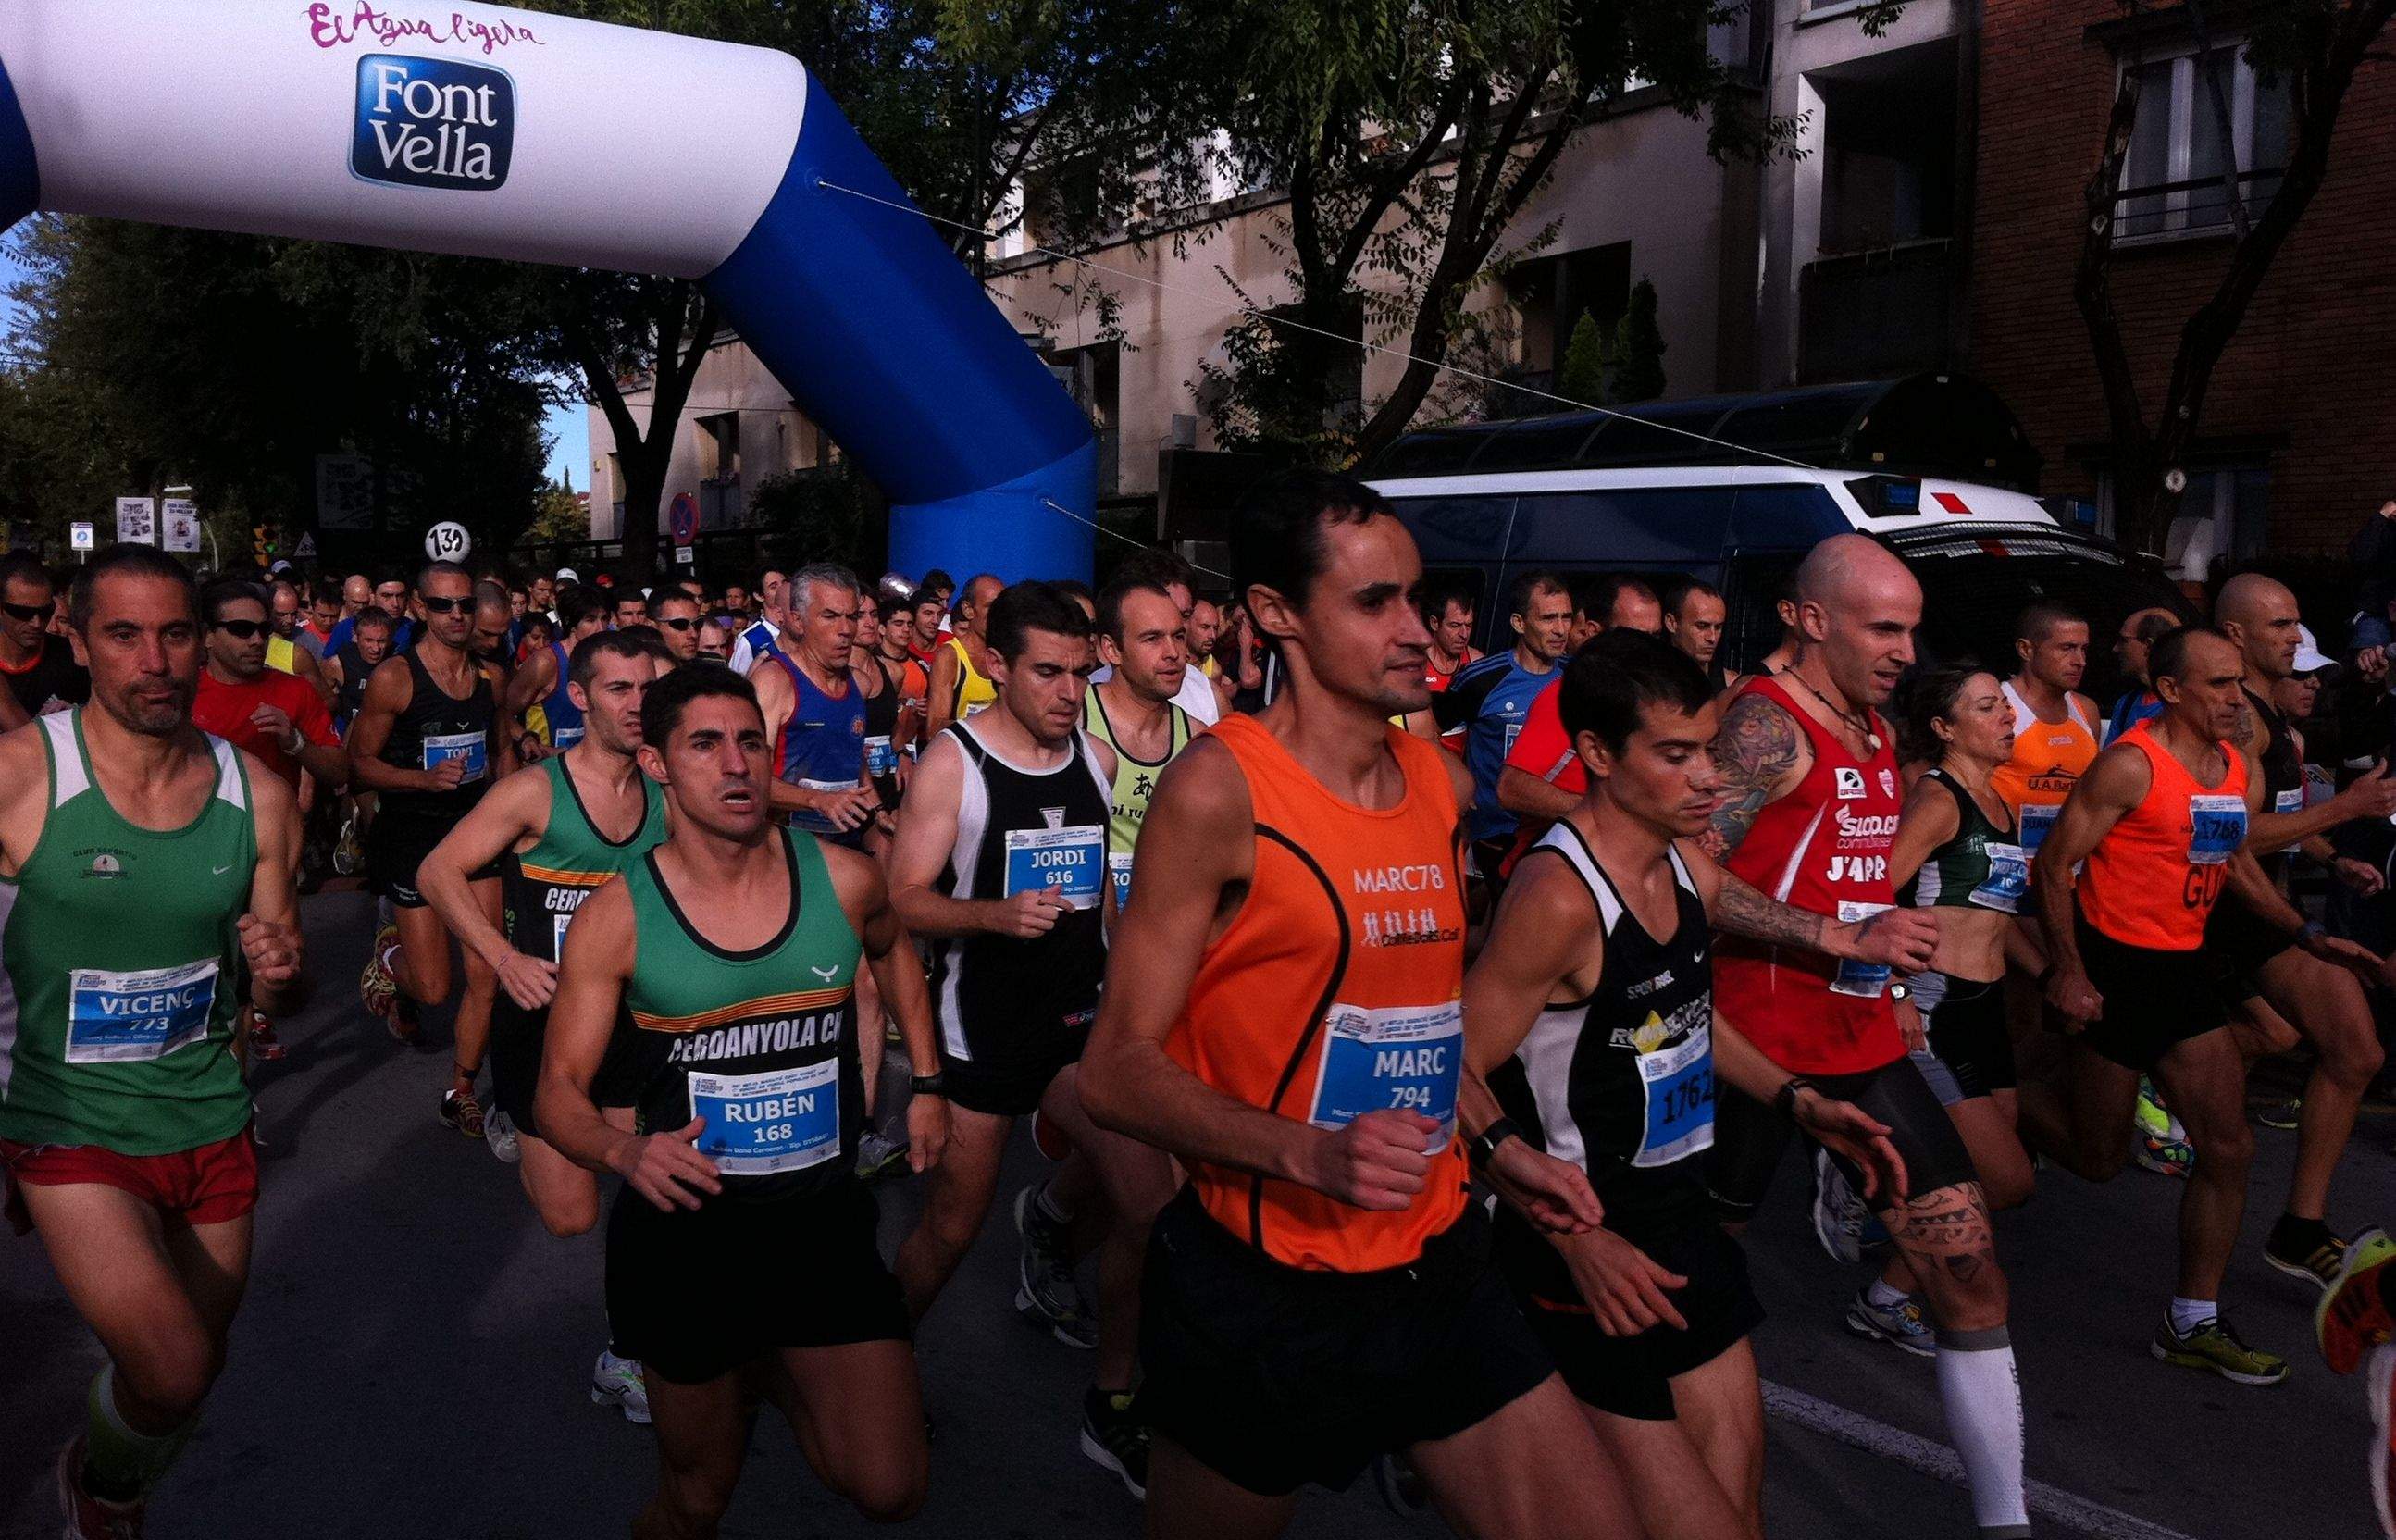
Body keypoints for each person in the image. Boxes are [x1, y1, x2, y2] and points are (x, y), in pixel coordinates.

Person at [1078, 471, 1645, 1539]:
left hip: (1434, 1260)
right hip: (1266, 1288)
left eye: (1419, 597)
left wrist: (1499, 1145)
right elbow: (1116, 1069)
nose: (1417, 631)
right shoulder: (1219, 791)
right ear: (1275, 614)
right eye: (1373, 600)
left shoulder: (1435, 780)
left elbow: (1419, 1026)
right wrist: (1308, 1154)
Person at [1463, 629, 1918, 1540]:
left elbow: (1692, 1008)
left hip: (1681, 1225)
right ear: (1596, 753)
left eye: (1709, 747)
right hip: (1585, 1253)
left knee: (1739, 1509)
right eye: (1675, 754)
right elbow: (1455, 1069)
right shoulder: (1558, 897)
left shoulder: (1676, 857)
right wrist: (1573, 1234)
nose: (1707, 775)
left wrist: (1799, 1098)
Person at [535, 664, 950, 1535]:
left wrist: (931, 1083)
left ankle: (767, 1366)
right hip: (688, 1245)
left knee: (890, 1485)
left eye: (751, 741)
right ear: (657, 764)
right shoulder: (619, 917)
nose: (736, 764)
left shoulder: (842, 881)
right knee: (697, 1498)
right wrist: (623, 1151)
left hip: (819, 1229)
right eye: (706, 744)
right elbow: (557, 1096)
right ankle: (754, 1366)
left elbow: (892, 952)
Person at [1699, 535, 2029, 1535]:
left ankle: (2005, 1522)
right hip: (1744, 1048)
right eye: (1882, 625)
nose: (1903, 646)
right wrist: (1836, 930)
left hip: (1860, 1034)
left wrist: (1886, 960)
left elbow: (1851, 874)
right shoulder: (1762, 726)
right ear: (1810, 618)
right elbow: (1676, 875)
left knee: (1968, 1265)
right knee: (1689, 1287)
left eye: (1911, 626)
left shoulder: (1876, 726)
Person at [0, 544, 304, 1539]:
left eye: (175, 632)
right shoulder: (17, 775)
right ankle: (100, 1492)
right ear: (77, 642)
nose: (155, 659)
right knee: (171, 1361)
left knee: (185, 1374)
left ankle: (104, 1473)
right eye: (124, 634)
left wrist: (275, 962)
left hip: (210, 1114)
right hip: (67, 1120)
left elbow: (269, 981)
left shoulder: (255, 792)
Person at [2021, 625, 2381, 1383]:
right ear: (2171, 692)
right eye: (2217, 685)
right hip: (2115, 975)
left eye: (2236, 684)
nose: (2234, 698)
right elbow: (2054, 867)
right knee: (2095, 1158)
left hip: (2181, 974)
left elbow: (2235, 863)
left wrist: (2308, 934)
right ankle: (1986, 1105)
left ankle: (2192, 1321)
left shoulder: (2227, 769)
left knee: (2229, 1147)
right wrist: (2068, 971)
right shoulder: (2129, 766)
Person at [889, 581, 1174, 1497]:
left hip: (1080, 1031)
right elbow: (903, 899)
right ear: (999, 666)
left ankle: (1113, 1397)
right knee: (949, 1230)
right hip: (984, 1036)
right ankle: (878, 1364)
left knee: (1147, 1195)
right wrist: (990, 913)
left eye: (1078, 669)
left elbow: (1111, 895)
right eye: (1047, 671)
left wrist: (1133, 995)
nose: (1067, 688)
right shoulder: (954, 762)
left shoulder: (1093, 757)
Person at [418, 630, 665, 1417]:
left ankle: (628, 1352)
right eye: (619, 689)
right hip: (544, 1027)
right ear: (581, 697)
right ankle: (508, 1107)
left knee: (643, 1190)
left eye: (648, 689)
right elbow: (438, 871)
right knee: (570, 1216)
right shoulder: (535, 792)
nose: (636, 705)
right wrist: (502, 955)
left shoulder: (666, 790)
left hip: (635, 1024)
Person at [2206, 573, 2396, 1285]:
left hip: (2257, 910)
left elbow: (2277, 817)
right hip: (2212, 917)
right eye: (2280, 625)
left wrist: (2328, 856)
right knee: (2092, 1138)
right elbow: (2233, 836)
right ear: (2234, 636)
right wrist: (2345, 810)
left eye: (2295, 624)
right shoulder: (2237, 720)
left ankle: (2299, 1226)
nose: (2294, 637)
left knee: (2354, 1050)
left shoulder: (2271, 718)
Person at [351, 562, 515, 1136]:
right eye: (443, 605)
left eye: (465, 605)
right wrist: (424, 780)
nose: (456, 616)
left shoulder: (492, 678)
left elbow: (499, 754)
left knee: (488, 969)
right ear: (419, 607)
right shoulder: (396, 678)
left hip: (475, 833)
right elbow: (358, 764)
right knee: (435, 987)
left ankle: (462, 1087)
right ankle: (387, 963)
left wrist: (516, 805)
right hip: (414, 837)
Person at [1890, 666, 2037, 1211]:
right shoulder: (1938, 801)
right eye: (1985, 707)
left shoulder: (1998, 801)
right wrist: (1897, 993)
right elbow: (1877, 899)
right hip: (1938, 1003)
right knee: (2008, 1179)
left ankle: (1894, 1231)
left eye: (2003, 703)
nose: (2006, 715)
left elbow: (1997, 916)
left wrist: (2049, 972)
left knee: (1982, 1173)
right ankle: (1871, 1194)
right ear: (1943, 728)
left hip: (1987, 1006)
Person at [1433, 571, 1572, 882]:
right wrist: (1457, 796)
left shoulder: (1579, 680)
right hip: (1494, 838)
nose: (1561, 629)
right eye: (1549, 618)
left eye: (1567, 617)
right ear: (1519, 623)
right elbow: (1434, 739)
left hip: (1556, 834)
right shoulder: (1480, 680)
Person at [751, 565, 879, 845]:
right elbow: (751, 777)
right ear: (797, 621)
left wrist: (880, 815)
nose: (846, 630)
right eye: (830, 616)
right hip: (788, 849)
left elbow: (855, 761)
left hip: (849, 845)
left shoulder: (860, 683)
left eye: (852, 616)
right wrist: (816, 800)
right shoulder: (775, 682)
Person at [1990, 602, 2101, 857]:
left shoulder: (2086, 710)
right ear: (2026, 649)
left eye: (2084, 649)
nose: (2080, 661)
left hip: (2066, 872)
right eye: (2067, 648)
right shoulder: (1997, 706)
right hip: (2006, 873)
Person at [506, 590, 612, 760]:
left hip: (589, 768)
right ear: (570, 623)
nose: (600, 628)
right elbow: (503, 713)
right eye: (590, 620)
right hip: (547, 769)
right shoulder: (546, 662)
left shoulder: (608, 661)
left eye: (604, 619)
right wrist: (526, 739)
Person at [0, 551, 81, 726]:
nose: (36, 623)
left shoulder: (73, 657)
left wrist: (78, 713)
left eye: (45, 612)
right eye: (23, 613)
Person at [925, 572, 1002, 739]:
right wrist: (989, 725)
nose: (999, 614)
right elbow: (934, 728)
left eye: (1003, 607)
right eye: (991, 607)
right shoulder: (950, 656)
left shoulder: (1008, 653)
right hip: (963, 758)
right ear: (968, 610)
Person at [1417, 579, 1482, 756]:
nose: (1464, 634)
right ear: (1434, 623)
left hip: (1462, 766)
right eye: (1455, 625)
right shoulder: (1416, 664)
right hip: (1425, 761)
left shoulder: (1476, 663)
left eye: (1468, 625)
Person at [2105, 605, 2180, 743]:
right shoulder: (2125, 705)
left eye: (2123, 640)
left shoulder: (2185, 707)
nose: (2115, 648)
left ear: (2148, 645)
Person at [1661, 577, 1730, 690]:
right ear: (1671, 623)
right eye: (1702, 626)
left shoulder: (1729, 684)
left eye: (1718, 627)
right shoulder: (1650, 684)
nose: (1712, 638)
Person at [726, 567, 788, 674]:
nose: (782, 589)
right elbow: (738, 684)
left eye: (785, 584)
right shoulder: (750, 640)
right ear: (759, 596)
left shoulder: (802, 628)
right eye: (774, 587)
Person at [651, 590, 702, 665]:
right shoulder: (635, 672)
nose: (694, 634)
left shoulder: (716, 665)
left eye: (698, 623)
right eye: (680, 624)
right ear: (653, 627)